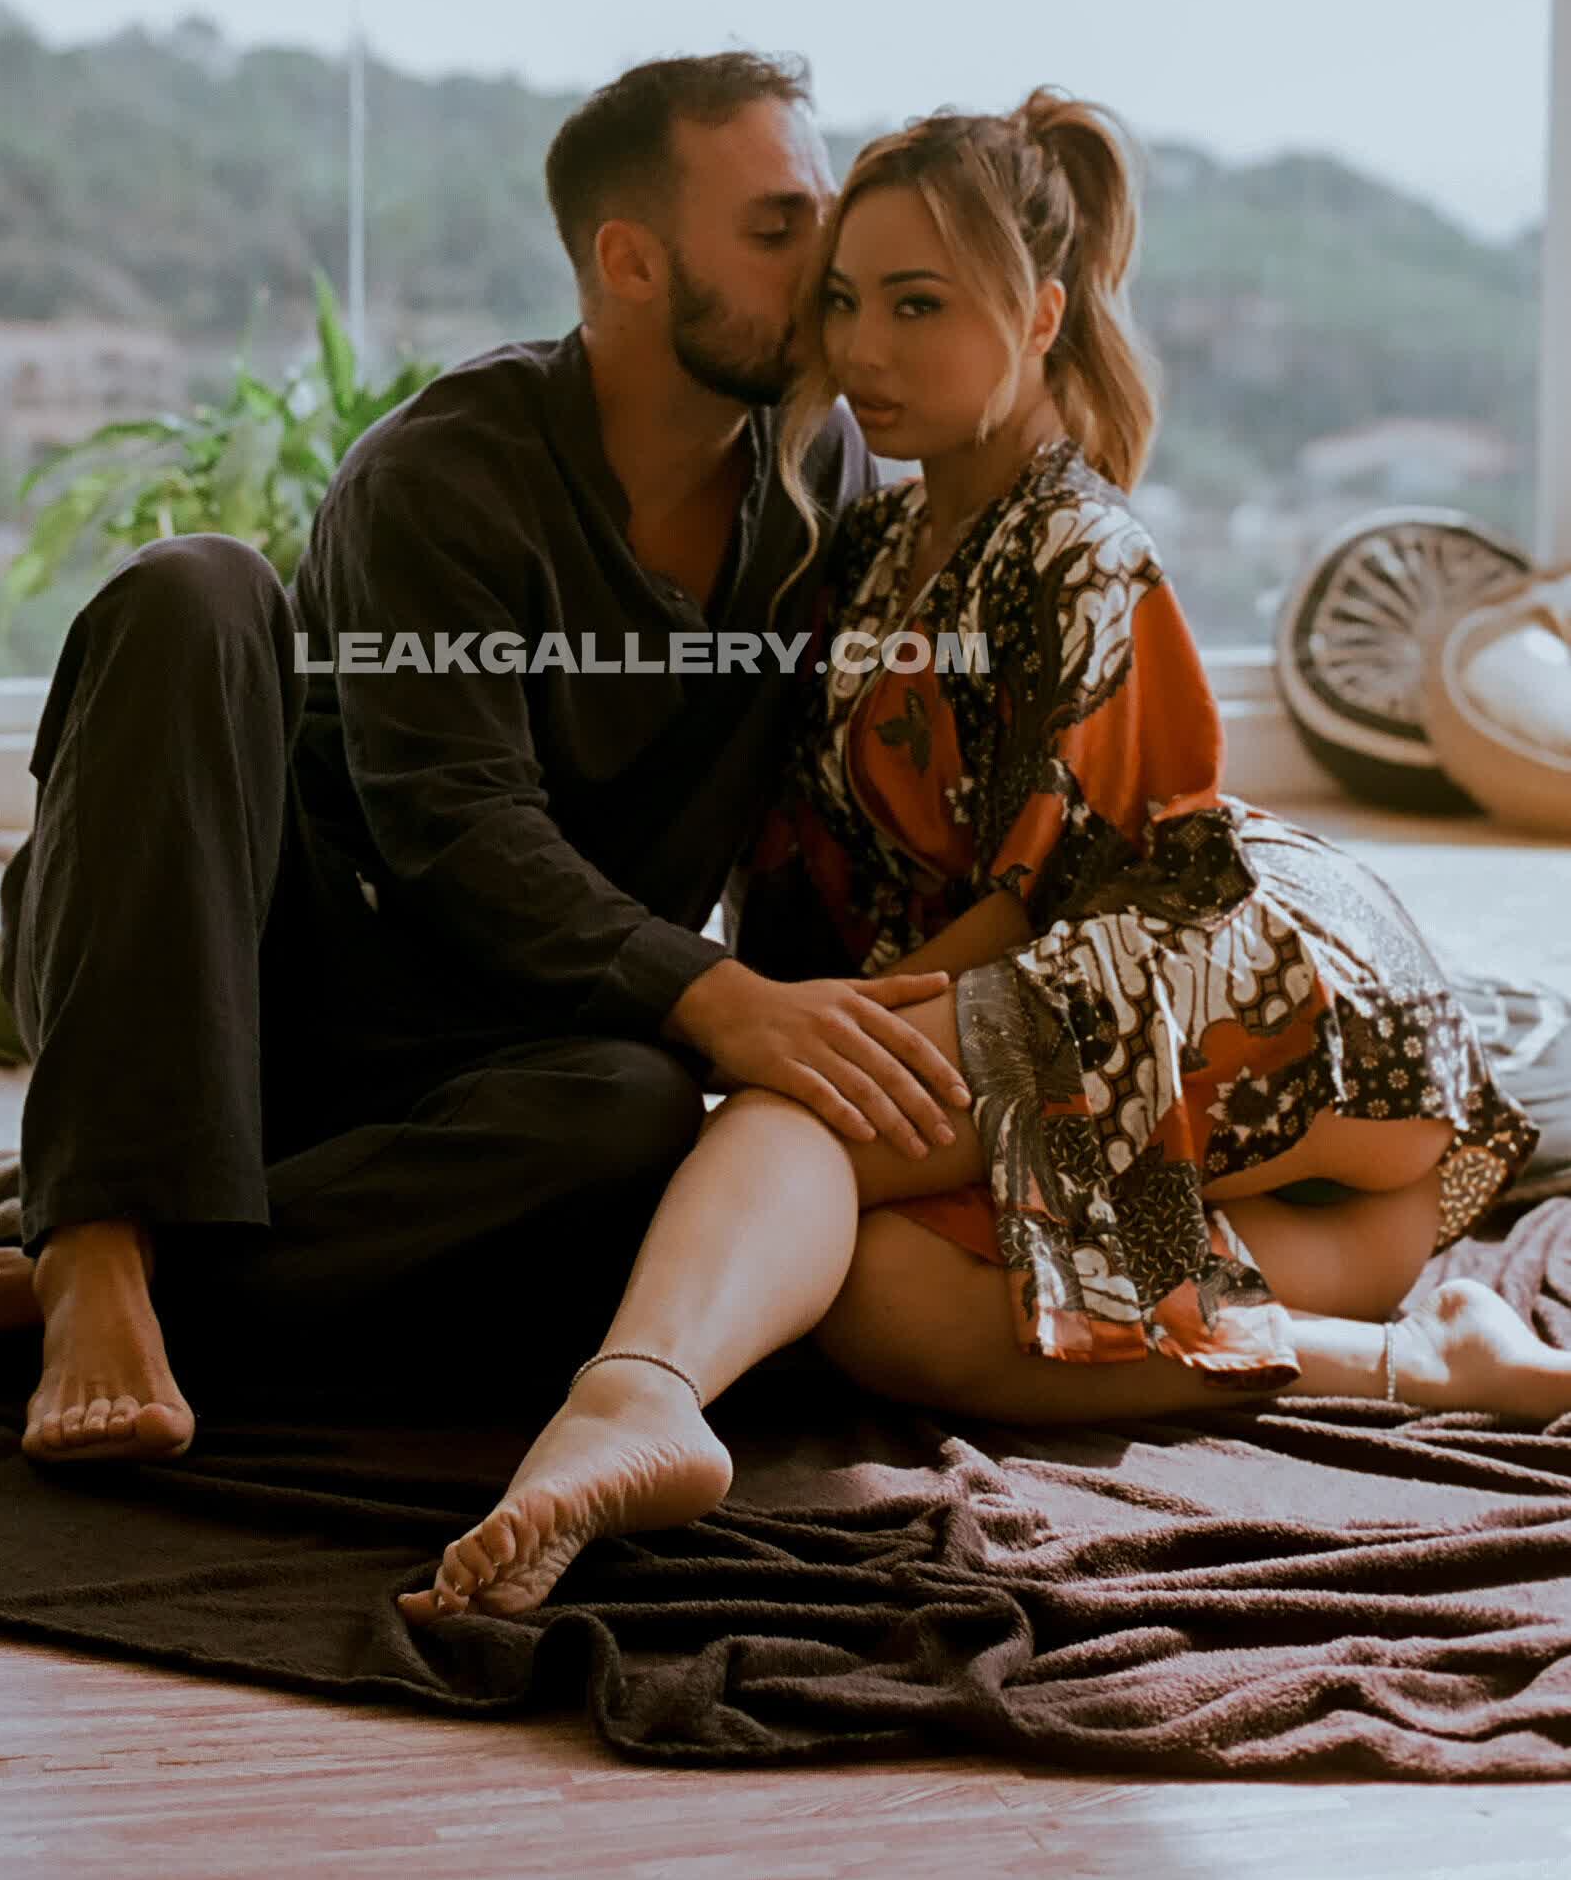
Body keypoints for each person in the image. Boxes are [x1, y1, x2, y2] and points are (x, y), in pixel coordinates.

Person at [397, 84, 1566, 1628]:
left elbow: (1044, 908)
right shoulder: (873, 543)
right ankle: (1418, 1360)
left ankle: (632, 1399)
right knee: (876, 1300)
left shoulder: (1081, 552)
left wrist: (785, 1035)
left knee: (805, 1109)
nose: (863, 349)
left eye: (919, 304)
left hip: (1299, 1021)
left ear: (1042, 317)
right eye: (843, 303)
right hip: (1304, 1211)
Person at [0, 50, 976, 1448]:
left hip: (491, 1055)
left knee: (639, 1113)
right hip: (240, 989)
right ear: (633, 261)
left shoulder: (825, 476)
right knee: (199, 587)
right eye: (777, 229)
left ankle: (12, 1296)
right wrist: (720, 994)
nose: (826, 266)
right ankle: (96, 1243)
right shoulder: (445, 471)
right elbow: (456, 830)